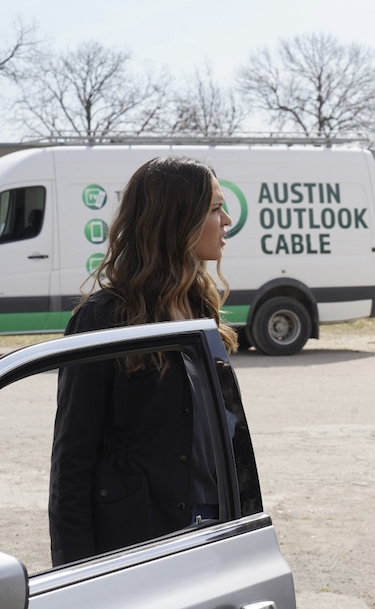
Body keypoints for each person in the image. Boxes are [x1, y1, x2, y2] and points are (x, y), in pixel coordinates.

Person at [49, 155, 236, 566]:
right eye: (215, 208)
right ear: (177, 220)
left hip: (215, 529)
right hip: (141, 544)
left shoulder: (201, 307)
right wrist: (75, 570)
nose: (226, 221)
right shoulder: (102, 318)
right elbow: (72, 460)